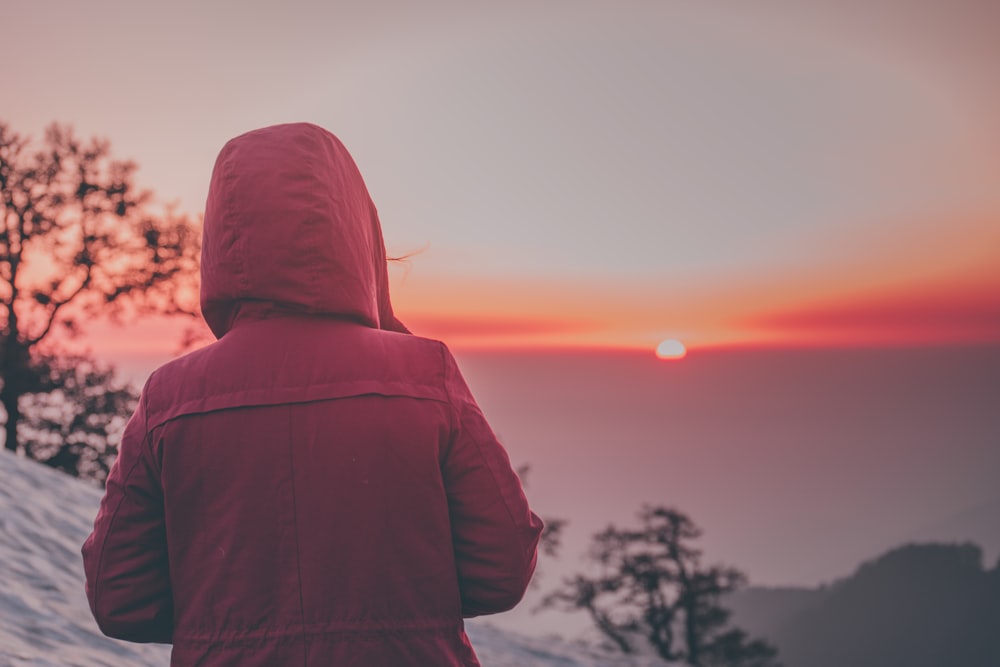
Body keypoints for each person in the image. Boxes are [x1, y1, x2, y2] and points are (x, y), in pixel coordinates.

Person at [81, 122, 544, 666]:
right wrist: (403, 610)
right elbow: (502, 569)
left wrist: (224, 625)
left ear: (221, 243)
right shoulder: (424, 375)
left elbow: (120, 599)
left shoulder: (172, 398)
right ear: (356, 233)